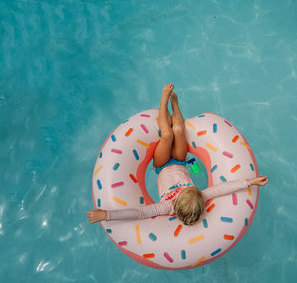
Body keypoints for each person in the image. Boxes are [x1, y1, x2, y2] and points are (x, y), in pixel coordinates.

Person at [86, 84, 269, 226]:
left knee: (167, 135)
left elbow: (139, 213)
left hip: (162, 164)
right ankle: (175, 103)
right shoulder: (200, 196)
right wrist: (249, 182)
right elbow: (222, 188)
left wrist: (107, 215)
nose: (191, 189)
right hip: (180, 161)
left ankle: (163, 103)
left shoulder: (167, 207)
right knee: (179, 129)